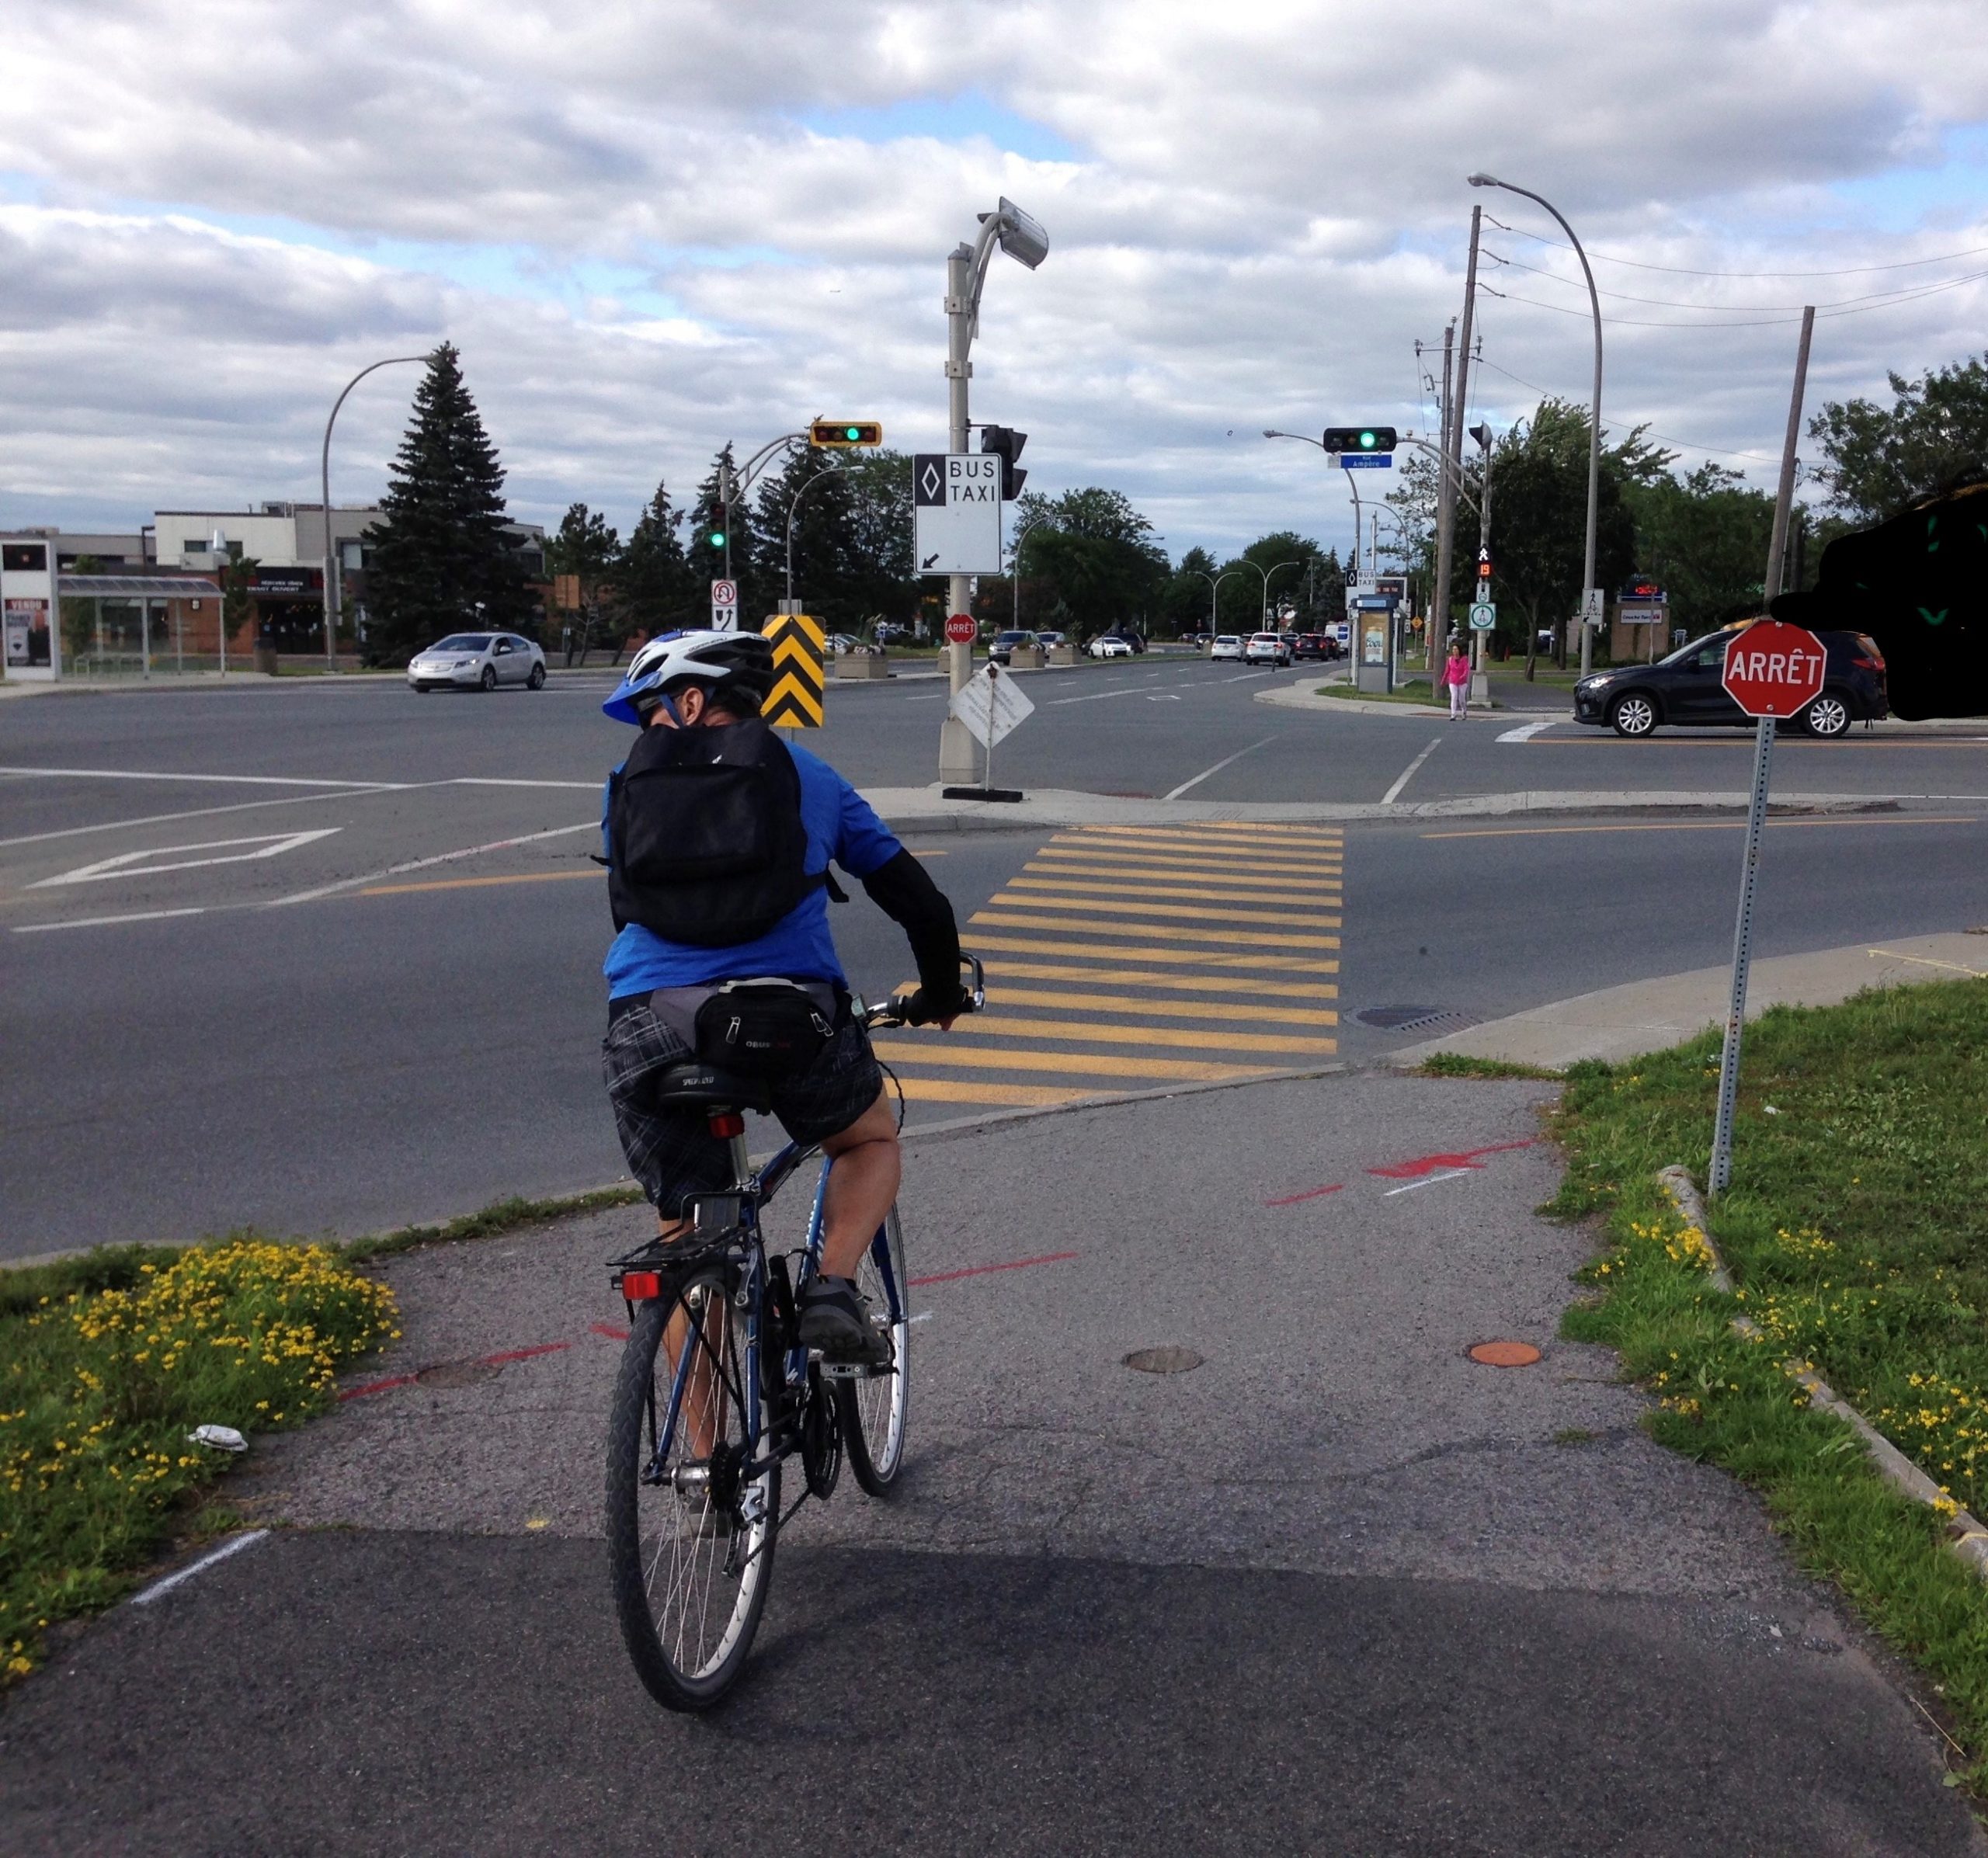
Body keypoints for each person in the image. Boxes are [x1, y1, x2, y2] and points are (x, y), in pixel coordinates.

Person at [598, 630, 965, 1362]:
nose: (647, 731)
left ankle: (703, 1462)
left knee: (686, 1241)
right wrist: (940, 991)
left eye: (651, 712)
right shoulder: (810, 777)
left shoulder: (624, 786)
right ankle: (831, 1288)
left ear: (692, 699)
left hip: (652, 1023)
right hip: (789, 1020)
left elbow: (626, 915)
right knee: (867, 1138)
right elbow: (921, 903)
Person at [1441, 638, 1471, 719]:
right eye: (1453, 649)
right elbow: (1447, 671)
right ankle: (1453, 714)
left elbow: (1466, 669)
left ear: (1459, 650)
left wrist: (1463, 676)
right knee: (1454, 697)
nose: (1455, 651)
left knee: (1461, 699)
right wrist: (1443, 680)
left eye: (1456, 649)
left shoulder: (1464, 659)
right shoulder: (1450, 659)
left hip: (1462, 682)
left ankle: (1464, 711)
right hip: (1453, 681)